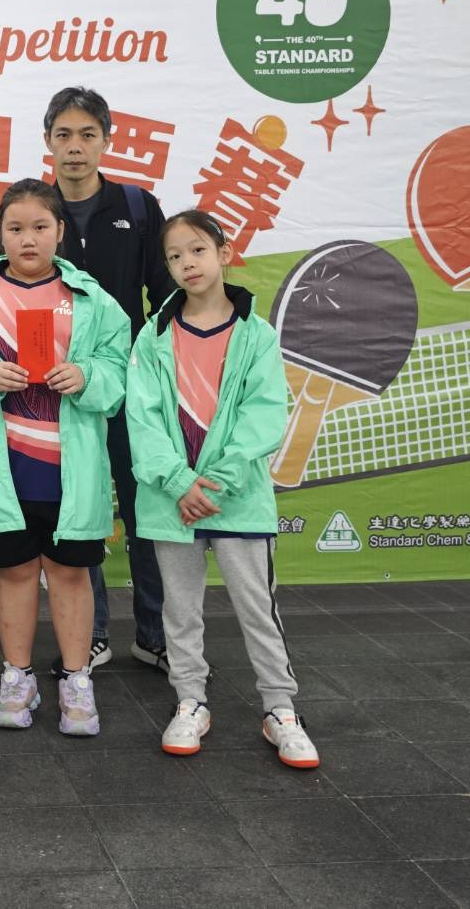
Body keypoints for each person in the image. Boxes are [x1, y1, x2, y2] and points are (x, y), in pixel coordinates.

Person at [0, 179, 130, 737]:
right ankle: (17, 677)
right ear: (0, 233)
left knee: (70, 573)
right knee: (16, 571)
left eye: (40, 227)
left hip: (72, 471)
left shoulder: (90, 298)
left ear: (60, 231)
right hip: (5, 469)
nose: (27, 239)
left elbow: (120, 371)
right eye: (15, 228)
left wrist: (87, 375)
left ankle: (76, 680)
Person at [126, 209, 319, 769]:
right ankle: (190, 701)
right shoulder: (153, 336)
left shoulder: (256, 334)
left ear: (224, 253)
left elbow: (264, 416)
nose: (187, 263)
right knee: (180, 611)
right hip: (172, 504)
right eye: (174, 256)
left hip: (239, 501)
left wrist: (217, 483)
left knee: (258, 609)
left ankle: (281, 710)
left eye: (197, 250)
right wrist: (180, 483)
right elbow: (142, 420)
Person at [44, 86, 176, 675]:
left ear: (106, 141)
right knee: (80, 513)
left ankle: (155, 633)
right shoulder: (33, 208)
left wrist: (160, 376)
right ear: (48, 141)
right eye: (64, 135)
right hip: (60, 391)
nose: (75, 147)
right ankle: (91, 633)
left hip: (131, 391)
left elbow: (165, 298)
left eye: (87, 135)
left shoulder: (138, 207)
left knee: (146, 511)